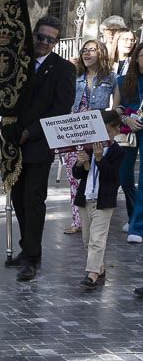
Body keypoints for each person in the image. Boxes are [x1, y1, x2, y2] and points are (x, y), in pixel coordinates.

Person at [5, 16, 77, 281]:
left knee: (33, 200)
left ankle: (33, 257)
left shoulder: (63, 69)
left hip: (38, 143)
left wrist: (30, 132)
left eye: (50, 39)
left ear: (56, 43)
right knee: (17, 198)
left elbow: (60, 109)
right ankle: (27, 246)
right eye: (40, 37)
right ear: (33, 35)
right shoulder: (18, 62)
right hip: (12, 142)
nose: (44, 43)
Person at [62, 41, 118, 234]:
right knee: (74, 174)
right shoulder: (75, 76)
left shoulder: (111, 78)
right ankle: (77, 220)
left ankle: (96, 219)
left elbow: (116, 108)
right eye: (84, 50)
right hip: (75, 131)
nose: (86, 53)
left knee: (96, 174)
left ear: (101, 53)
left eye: (91, 50)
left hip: (97, 131)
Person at [72, 109, 124, 290]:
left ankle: (92, 274)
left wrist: (100, 159)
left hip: (104, 201)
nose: (103, 136)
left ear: (116, 131)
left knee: (97, 239)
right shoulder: (89, 147)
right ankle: (99, 268)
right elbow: (77, 174)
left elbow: (112, 177)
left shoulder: (117, 151)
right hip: (86, 198)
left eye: (108, 132)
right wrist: (80, 162)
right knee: (87, 239)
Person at [116, 42, 143, 243]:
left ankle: (138, 227)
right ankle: (134, 215)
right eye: (142, 55)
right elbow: (117, 108)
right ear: (136, 58)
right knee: (124, 175)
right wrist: (127, 119)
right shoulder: (124, 81)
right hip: (128, 132)